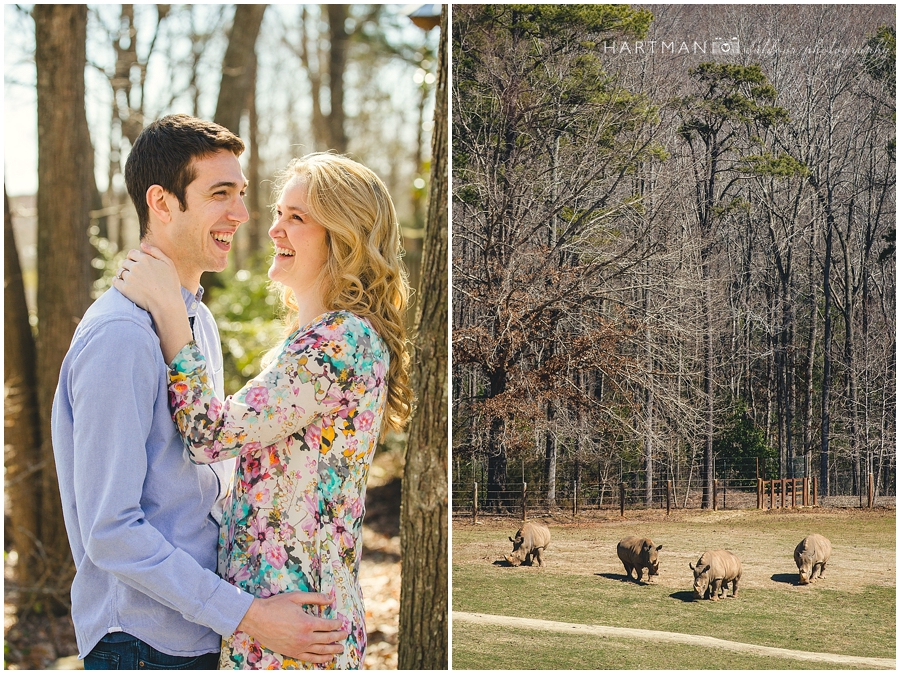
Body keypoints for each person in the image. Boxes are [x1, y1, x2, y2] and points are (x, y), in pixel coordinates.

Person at [52, 115, 348, 670]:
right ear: (161, 203)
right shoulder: (121, 336)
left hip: (198, 633)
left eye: (239, 194)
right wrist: (248, 615)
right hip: (142, 643)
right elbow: (110, 530)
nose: (241, 214)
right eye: (219, 195)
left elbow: (202, 477)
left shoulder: (194, 322)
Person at [114, 152, 414, 669]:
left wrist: (167, 309)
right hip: (273, 617)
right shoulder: (310, 341)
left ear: (344, 236)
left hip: (296, 624)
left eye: (297, 217)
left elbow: (210, 435)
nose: (274, 228)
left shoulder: (341, 342)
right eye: (278, 212)